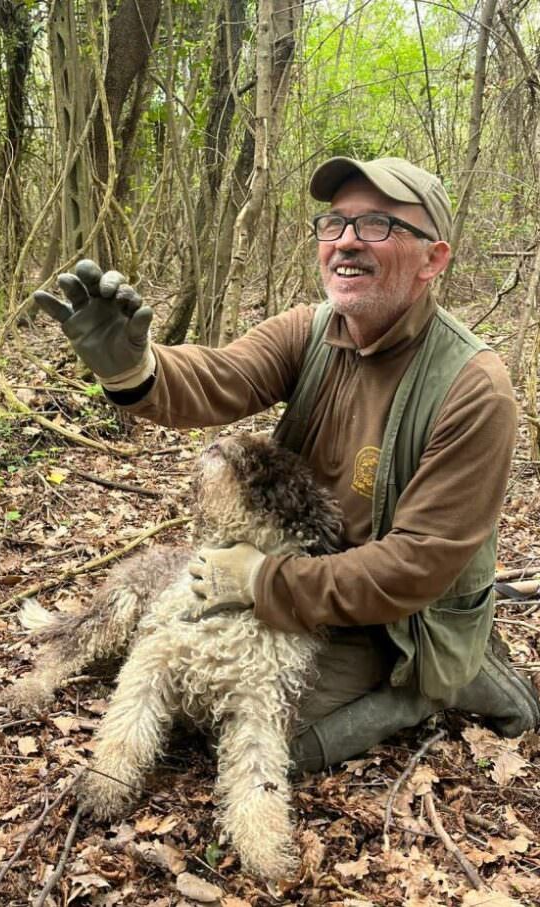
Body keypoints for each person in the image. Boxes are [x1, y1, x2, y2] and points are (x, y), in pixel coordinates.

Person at [34, 156, 540, 772]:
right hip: (299, 569)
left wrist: (260, 583)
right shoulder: (314, 328)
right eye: (335, 224)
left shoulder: (472, 388)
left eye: (378, 224)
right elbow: (222, 376)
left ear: (433, 259)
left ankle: (442, 683)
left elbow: (415, 568)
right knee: (176, 676)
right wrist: (133, 369)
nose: (347, 241)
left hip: (392, 618)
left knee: (257, 740)